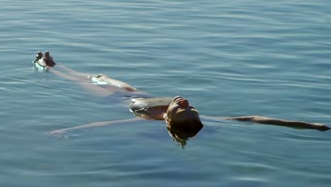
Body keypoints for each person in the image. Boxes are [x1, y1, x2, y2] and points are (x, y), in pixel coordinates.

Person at [34, 52, 329, 147]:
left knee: (80, 80)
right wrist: (310, 125)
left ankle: (51, 66)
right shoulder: (187, 118)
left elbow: (104, 125)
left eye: (180, 107)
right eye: (191, 107)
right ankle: (57, 64)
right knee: (96, 73)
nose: (185, 102)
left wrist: (70, 130)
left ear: (168, 118)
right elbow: (254, 119)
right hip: (133, 91)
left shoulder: (156, 119)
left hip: (115, 100)